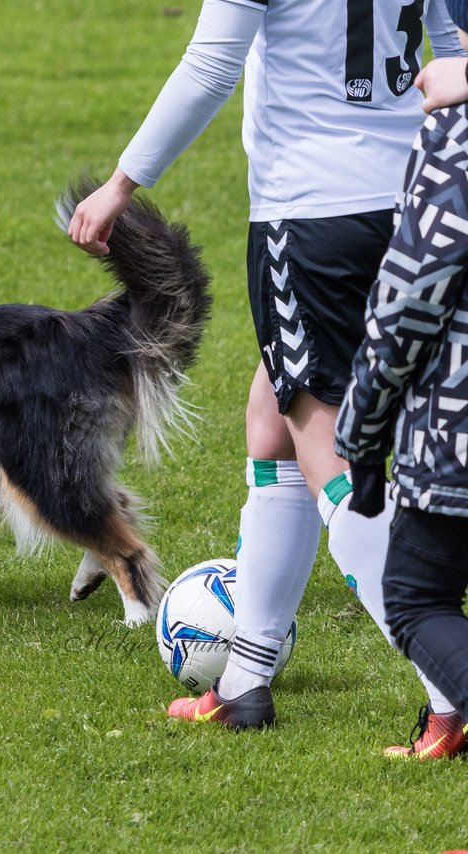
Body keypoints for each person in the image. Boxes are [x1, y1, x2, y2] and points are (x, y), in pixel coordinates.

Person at [69, 0, 466, 752]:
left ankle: (451, 688)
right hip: (411, 203)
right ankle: (247, 679)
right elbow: (451, 45)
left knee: (328, 451)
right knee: (271, 417)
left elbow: (213, 64)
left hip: (313, 217)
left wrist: (120, 185)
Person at [336, 4, 468, 759]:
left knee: (418, 603)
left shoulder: (455, 134)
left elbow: (408, 302)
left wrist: (361, 433)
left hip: (456, 438)